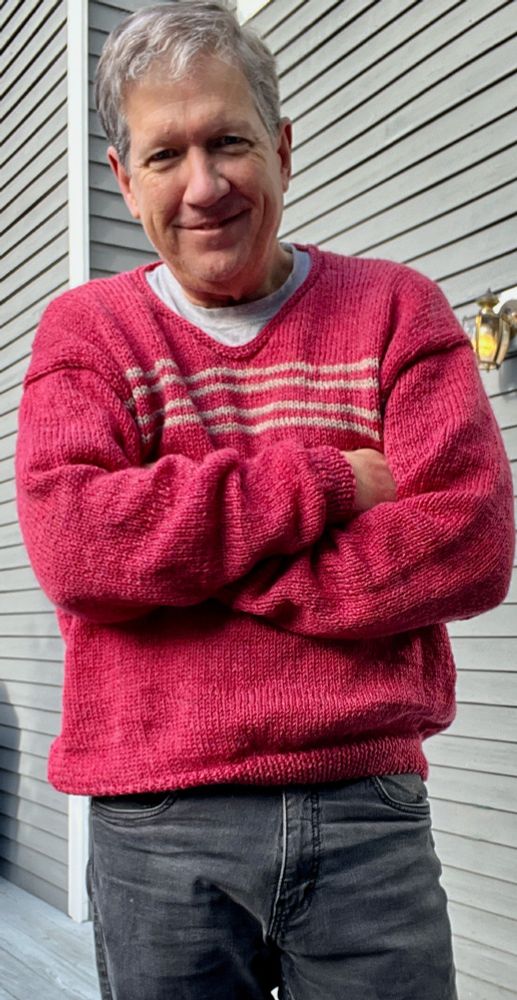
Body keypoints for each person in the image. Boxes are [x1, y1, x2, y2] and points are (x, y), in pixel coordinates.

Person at [15, 2, 514, 998]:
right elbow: (77, 544)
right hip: (156, 821)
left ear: (281, 149)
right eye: (165, 156)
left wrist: (195, 571)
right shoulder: (88, 334)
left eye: (229, 141)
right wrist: (327, 480)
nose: (204, 186)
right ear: (123, 177)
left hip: (365, 811)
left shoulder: (395, 309)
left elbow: (469, 541)